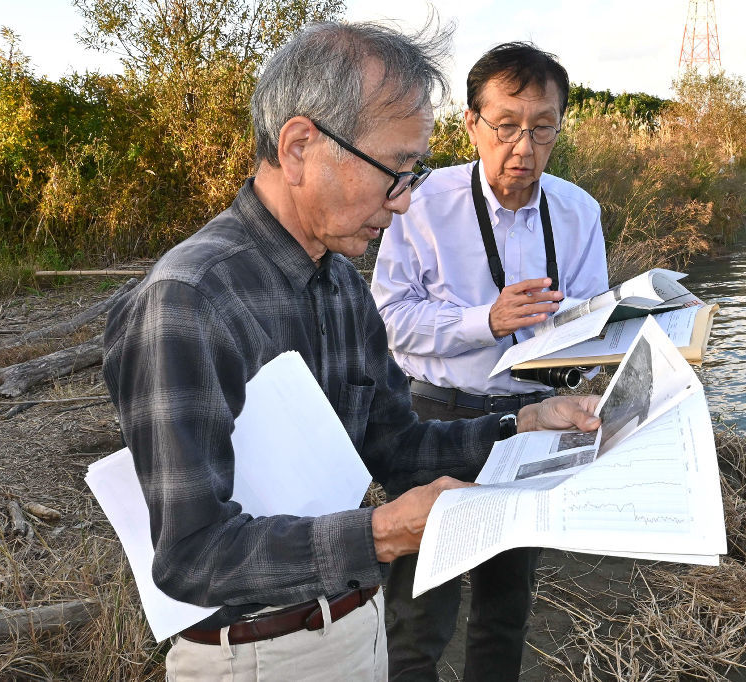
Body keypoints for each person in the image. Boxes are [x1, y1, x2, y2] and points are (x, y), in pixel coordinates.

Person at [101, 23, 602, 681]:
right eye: (394, 171)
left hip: (359, 628)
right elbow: (191, 555)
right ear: (301, 145)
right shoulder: (190, 300)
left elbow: (395, 447)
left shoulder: (340, 283)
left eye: (414, 172)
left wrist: (522, 426)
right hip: (257, 655)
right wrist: (381, 535)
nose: (403, 201)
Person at [371, 42, 609, 681]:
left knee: (507, 607)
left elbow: (592, 332)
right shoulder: (420, 205)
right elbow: (390, 320)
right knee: (421, 609)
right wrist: (489, 320)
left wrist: (608, 347)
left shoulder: (580, 213)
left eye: (542, 128)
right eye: (506, 126)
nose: (523, 148)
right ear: (472, 124)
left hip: (532, 419)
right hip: (436, 419)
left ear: (561, 125)